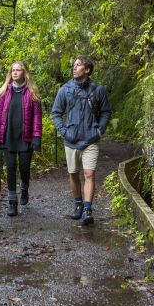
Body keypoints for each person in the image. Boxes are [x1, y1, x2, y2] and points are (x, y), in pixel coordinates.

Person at [51, 55, 111, 226]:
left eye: (78, 65)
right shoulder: (65, 89)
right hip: (71, 139)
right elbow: (56, 113)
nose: (74, 68)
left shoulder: (98, 90)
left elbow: (106, 112)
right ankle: (78, 204)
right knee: (73, 173)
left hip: (91, 139)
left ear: (87, 70)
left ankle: (87, 209)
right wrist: (64, 131)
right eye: (74, 65)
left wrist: (99, 131)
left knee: (89, 174)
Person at [0, 61, 43, 217]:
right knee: (10, 167)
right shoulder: (4, 92)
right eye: (13, 70)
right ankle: (12, 202)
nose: (15, 73)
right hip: (8, 136)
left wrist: (37, 136)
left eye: (18, 70)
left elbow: (37, 117)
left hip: (25, 137)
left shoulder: (32, 92)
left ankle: (24, 187)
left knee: (24, 167)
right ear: (10, 73)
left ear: (24, 73)